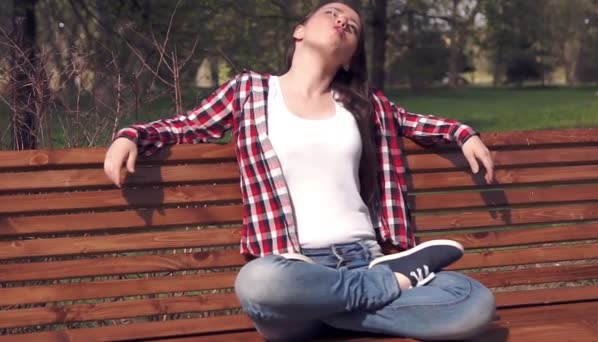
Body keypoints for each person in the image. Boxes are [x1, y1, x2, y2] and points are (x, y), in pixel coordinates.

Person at [104, 1, 496, 340]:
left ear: (349, 57)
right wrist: (131, 136)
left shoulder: (367, 105)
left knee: (474, 304)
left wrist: (462, 134)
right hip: (294, 269)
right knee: (259, 283)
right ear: (299, 31)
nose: (342, 21)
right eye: (331, 13)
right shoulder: (251, 91)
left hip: (363, 257)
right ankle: (390, 284)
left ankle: (339, 310)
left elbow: (415, 122)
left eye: (353, 26)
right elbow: (188, 125)